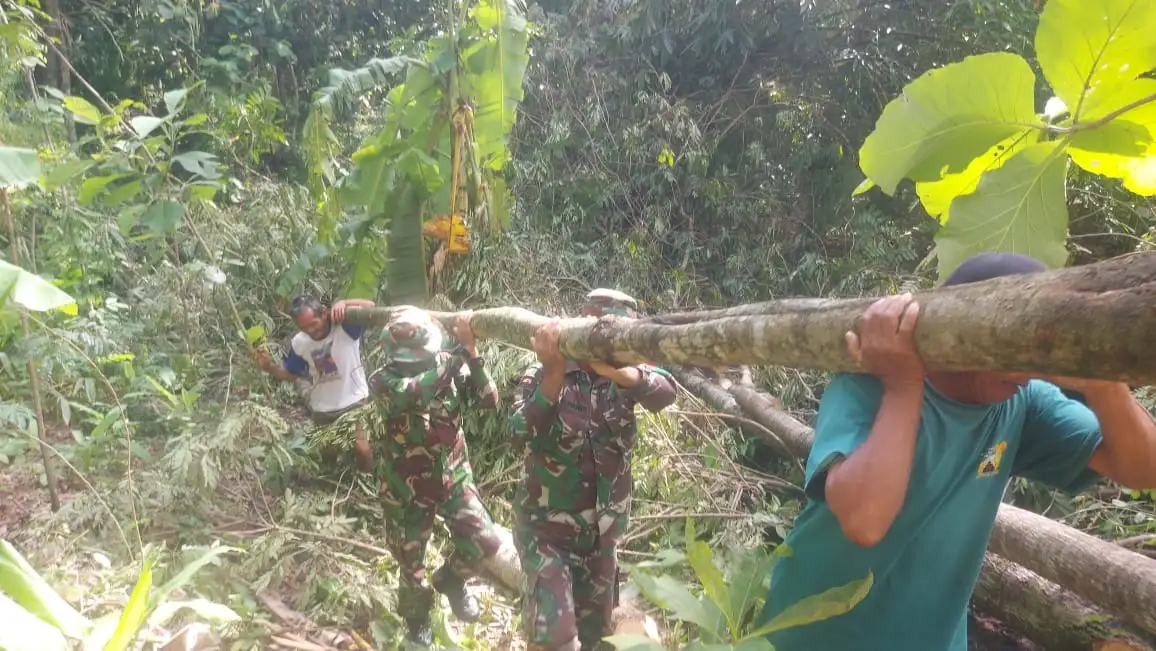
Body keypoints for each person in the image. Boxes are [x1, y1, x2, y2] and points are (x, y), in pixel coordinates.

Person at [758, 252, 1156, 651]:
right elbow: (865, 521)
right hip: (812, 635)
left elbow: (1145, 469)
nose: (1028, 370)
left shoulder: (1021, 399)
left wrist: (1103, 385)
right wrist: (903, 386)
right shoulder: (867, 385)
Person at [511, 288, 678, 651]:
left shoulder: (627, 376)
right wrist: (553, 374)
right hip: (546, 533)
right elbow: (518, 430)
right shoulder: (543, 371)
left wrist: (625, 375)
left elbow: (666, 392)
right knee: (555, 639)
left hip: (601, 538)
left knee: (597, 638)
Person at [368, 306, 504, 647]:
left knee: (484, 540)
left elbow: (489, 400)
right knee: (411, 563)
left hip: (453, 475)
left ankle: (451, 580)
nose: (413, 362)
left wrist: (472, 354)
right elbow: (415, 391)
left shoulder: (448, 364)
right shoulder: (384, 381)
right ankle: (418, 622)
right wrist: (454, 361)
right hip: (406, 485)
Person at [255, 295, 376, 468]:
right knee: (328, 455)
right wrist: (268, 367)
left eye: (313, 324)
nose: (310, 331)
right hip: (323, 408)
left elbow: (370, 306)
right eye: (304, 328)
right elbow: (292, 373)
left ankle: (369, 481)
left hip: (355, 401)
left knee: (362, 449)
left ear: (324, 314)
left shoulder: (345, 327)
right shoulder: (300, 343)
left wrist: (344, 303)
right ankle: (334, 484)